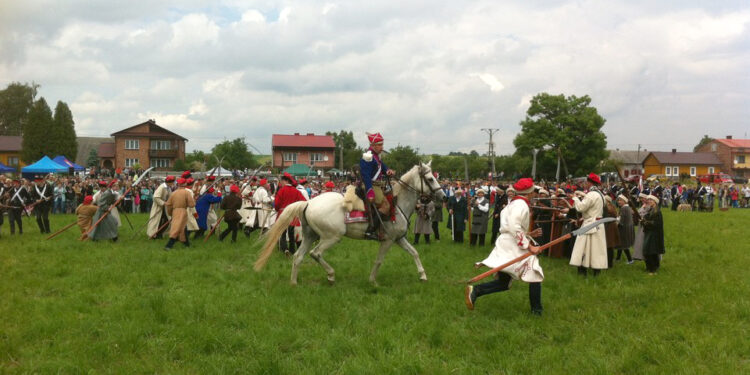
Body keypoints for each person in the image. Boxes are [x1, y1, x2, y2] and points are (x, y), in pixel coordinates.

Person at [465, 177, 544, 315]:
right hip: (514, 245)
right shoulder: (521, 205)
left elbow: (511, 227)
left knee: (504, 283)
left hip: (507, 242)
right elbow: (514, 226)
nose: (534, 194)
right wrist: (529, 246)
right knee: (535, 274)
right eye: (533, 192)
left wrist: (529, 234)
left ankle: (476, 291)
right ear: (529, 192)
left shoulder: (512, 204)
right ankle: (536, 311)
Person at [568, 173, 607, 276]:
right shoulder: (601, 194)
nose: (585, 184)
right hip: (598, 223)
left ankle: (582, 271)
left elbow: (580, 208)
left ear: (590, 182)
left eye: (586, 182)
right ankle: (596, 271)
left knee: (582, 248)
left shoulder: (591, 194)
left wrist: (575, 198)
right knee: (597, 249)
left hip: (589, 223)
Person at [360, 132, 395, 240]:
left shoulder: (376, 157)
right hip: (371, 185)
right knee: (386, 206)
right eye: (380, 145)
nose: (382, 147)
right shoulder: (368, 156)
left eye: (382, 145)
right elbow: (365, 175)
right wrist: (369, 190)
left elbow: (382, 167)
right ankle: (370, 231)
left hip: (377, 185)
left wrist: (388, 171)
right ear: (373, 145)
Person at [274, 172, 306, 255]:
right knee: (292, 235)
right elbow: (304, 202)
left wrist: (277, 209)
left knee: (282, 233)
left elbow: (277, 204)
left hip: (283, 214)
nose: (281, 183)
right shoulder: (296, 191)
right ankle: (292, 250)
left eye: (282, 181)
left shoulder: (281, 190)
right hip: (293, 215)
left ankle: (285, 249)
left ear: (286, 181)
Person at [164, 178, 196, 250]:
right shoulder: (187, 193)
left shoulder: (173, 193)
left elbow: (168, 204)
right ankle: (169, 245)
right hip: (182, 211)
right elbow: (192, 205)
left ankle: (186, 244)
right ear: (185, 184)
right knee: (178, 228)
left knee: (182, 228)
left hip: (174, 211)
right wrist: (194, 201)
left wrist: (170, 213)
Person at [641, 195, 665, 274]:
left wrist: (646, 222)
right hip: (650, 232)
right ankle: (651, 267)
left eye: (651, 200)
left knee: (650, 252)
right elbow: (647, 217)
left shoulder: (657, 212)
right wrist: (644, 219)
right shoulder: (651, 210)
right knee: (650, 251)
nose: (649, 201)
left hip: (654, 234)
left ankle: (652, 269)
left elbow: (656, 224)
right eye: (648, 200)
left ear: (655, 202)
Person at [615, 195, 635, 264]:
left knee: (624, 244)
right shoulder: (627, 207)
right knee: (620, 243)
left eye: (621, 200)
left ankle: (630, 260)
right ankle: (618, 258)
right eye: (618, 200)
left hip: (624, 228)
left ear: (625, 201)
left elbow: (622, 221)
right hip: (627, 227)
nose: (619, 202)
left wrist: (616, 223)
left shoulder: (624, 208)